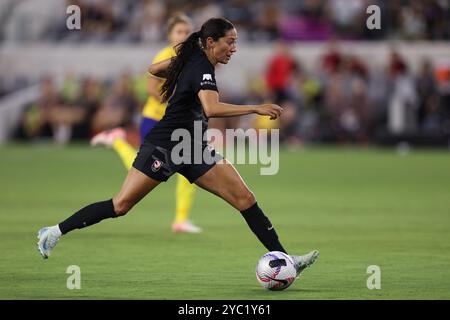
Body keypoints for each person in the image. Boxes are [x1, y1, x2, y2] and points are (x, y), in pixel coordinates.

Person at [36, 18, 319, 279]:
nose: (234, 48)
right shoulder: (203, 68)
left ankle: (285, 259)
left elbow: (153, 69)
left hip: (193, 147)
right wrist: (255, 106)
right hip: (165, 146)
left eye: (235, 42)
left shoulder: (196, 60)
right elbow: (211, 108)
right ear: (211, 42)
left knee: (245, 198)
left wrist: (182, 58)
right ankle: (54, 232)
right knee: (120, 205)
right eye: (229, 42)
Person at [90, 14, 202, 233]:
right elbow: (150, 88)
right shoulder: (164, 56)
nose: (183, 35)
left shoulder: (193, 57)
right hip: (156, 120)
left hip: (179, 124)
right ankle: (117, 141)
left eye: (187, 31)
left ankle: (180, 219)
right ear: (169, 34)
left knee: (190, 170)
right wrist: (175, 99)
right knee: (140, 168)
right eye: (179, 31)